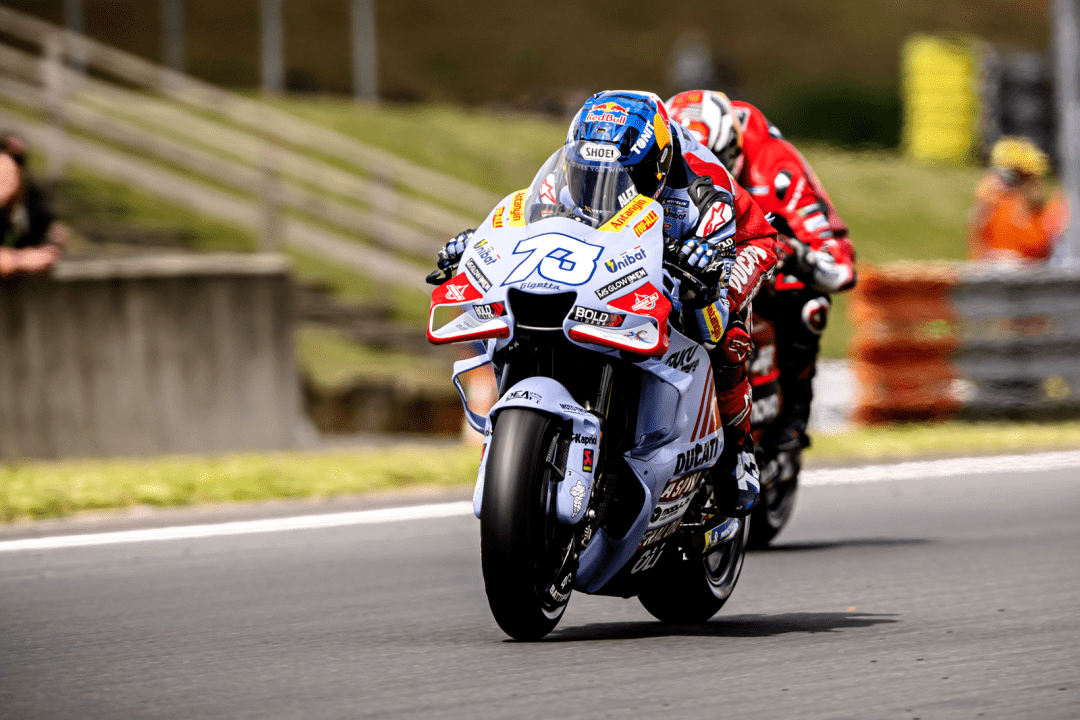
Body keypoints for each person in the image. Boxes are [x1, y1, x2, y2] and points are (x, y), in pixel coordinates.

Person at [436, 90, 777, 517]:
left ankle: (736, 452)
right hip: (629, 242)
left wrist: (704, 267)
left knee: (717, 327)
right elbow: (531, 227)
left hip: (733, 243)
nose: (600, 187)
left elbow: (714, 279)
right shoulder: (561, 176)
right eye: (587, 174)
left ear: (657, 165)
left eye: (624, 177)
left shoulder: (702, 189)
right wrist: (479, 248)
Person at [666, 90, 856, 459]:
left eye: (713, 162)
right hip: (690, 261)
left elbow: (839, 268)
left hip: (766, 267)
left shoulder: (775, 169)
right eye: (686, 163)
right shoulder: (658, 158)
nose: (702, 175)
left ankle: (791, 425)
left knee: (809, 304)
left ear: (733, 152)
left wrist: (792, 253)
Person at [969, 136, 1065, 264]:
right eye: (1014, 177)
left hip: (1033, 273)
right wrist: (982, 204)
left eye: (1027, 177)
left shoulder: (1046, 214)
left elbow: (1051, 251)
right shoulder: (994, 204)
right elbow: (977, 244)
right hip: (992, 270)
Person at [0, 132, 67, 277]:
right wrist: (20, 260)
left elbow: (54, 231)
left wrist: (49, 250)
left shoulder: (31, 202)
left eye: (8, 178)